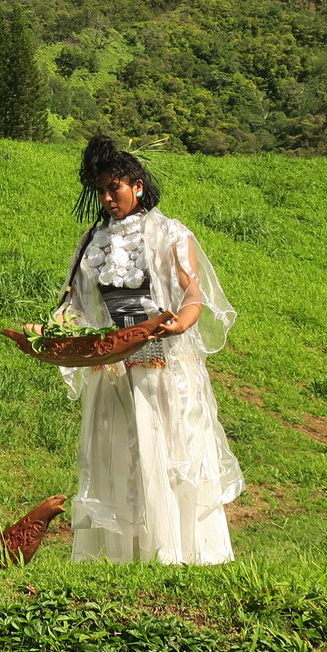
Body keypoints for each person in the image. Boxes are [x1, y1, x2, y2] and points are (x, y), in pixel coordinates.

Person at [51, 134, 243, 565]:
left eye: (113, 189)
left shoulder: (170, 234)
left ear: (137, 185)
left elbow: (192, 292)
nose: (106, 199)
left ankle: (173, 551)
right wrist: (49, 329)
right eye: (100, 191)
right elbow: (75, 305)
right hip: (112, 361)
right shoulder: (91, 241)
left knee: (163, 449)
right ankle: (124, 557)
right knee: (119, 453)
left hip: (160, 357)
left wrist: (183, 321)